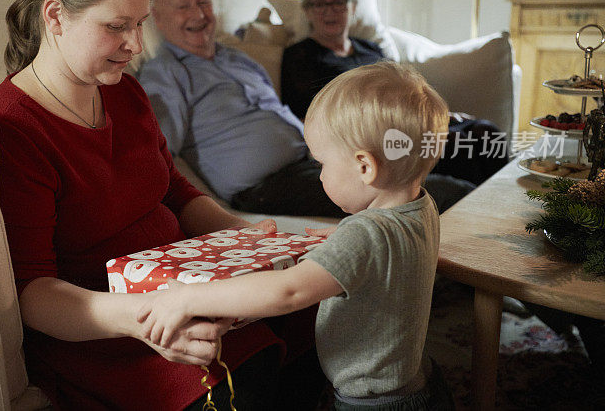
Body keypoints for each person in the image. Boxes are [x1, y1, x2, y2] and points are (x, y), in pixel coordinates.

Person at [0, 0, 324, 411]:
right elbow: (34, 293)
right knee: (246, 374)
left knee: (324, 309)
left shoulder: (124, 91)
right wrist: (147, 316)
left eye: (141, 23)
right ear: (55, 16)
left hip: (185, 288)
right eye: (117, 26)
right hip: (108, 327)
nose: (136, 45)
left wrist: (245, 237)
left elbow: (174, 190)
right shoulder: (13, 127)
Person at [138, 61, 456, 411]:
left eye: (322, 164)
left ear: (365, 167)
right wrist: (342, 239)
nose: (320, 175)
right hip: (418, 382)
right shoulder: (421, 207)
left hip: (373, 402)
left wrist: (192, 298)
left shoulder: (365, 236)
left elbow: (287, 291)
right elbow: (391, 248)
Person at [138, 0, 473, 216]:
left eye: (204, 3)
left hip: (319, 160)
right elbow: (162, 154)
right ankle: (490, 287)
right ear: (158, 18)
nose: (198, 14)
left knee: (437, 172)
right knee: (438, 195)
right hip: (268, 187)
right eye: (183, 7)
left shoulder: (237, 57)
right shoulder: (164, 74)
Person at [282, 0, 507, 186]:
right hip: (371, 133)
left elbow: (402, 91)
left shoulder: (371, 49)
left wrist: (440, 115)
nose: (330, 11)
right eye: (320, 3)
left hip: (407, 120)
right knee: (457, 146)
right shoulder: (300, 56)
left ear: (353, 7)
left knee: (486, 132)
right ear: (308, 11)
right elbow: (308, 114)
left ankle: (503, 209)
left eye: (339, 1)